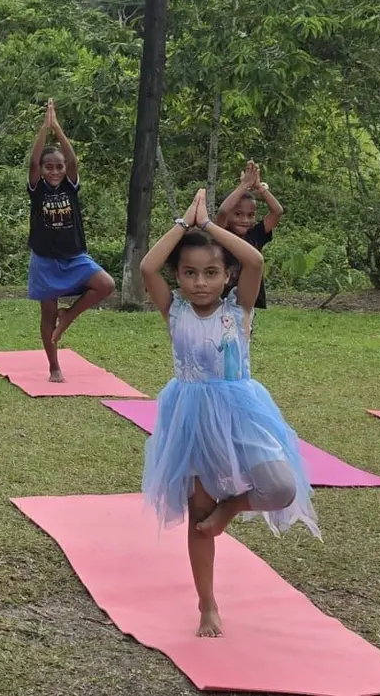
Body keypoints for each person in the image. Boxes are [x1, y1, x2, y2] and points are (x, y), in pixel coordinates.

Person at [139, 188, 317, 639]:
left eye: (211, 273)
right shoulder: (174, 310)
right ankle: (207, 605)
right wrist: (185, 224)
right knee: (198, 514)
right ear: (178, 277)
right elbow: (146, 266)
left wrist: (210, 226)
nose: (200, 282)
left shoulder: (239, 311)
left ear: (226, 276)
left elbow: (255, 261)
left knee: (280, 487)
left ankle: (231, 509)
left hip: (241, 413)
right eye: (190, 273)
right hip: (192, 420)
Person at [26, 100, 116, 382]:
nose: (54, 171)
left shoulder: (70, 185)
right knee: (47, 313)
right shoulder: (37, 189)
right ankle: (53, 366)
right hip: (45, 259)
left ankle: (70, 316)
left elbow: (73, 160)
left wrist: (58, 129)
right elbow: (32, 161)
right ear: (42, 170)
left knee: (106, 284)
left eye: (59, 167)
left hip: (74, 255)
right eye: (49, 167)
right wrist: (44, 128)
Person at [215, 160, 283, 309]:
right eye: (238, 214)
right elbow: (223, 211)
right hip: (221, 300)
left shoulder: (255, 234)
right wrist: (244, 185)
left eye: (251, 215)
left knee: (244, 331)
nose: (245, 220)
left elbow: (277, 211)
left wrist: (259, 187)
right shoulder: (222, 233)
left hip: (248, 302)